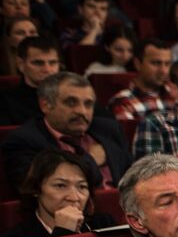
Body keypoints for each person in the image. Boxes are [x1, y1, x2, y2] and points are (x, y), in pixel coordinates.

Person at [2, 72, 131, 191]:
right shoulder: (25, 140)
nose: (82, 111)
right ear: (45, 105)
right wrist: (90, 160)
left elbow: (134, 177)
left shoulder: (109, 130)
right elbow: (34, 189)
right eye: (71, 102)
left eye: (88, 104)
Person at [2, 150, 116, 237]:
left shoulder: (104, 224)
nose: (74, 197)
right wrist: (63, 233)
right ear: (36, 189)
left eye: (82, 187)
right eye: (60, 186)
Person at [108, 39, 176, 121]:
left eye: (167, 64)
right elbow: (129, 133)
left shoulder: (177, 95)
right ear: (138, 64)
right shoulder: (122, 102)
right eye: (156, 63)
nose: (164, 71)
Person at [0, 36, 61, 125]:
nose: (47, 69)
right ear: (21, 64)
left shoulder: (70, 98)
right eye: (38, 63)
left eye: (53, 63)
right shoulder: (5, 101)